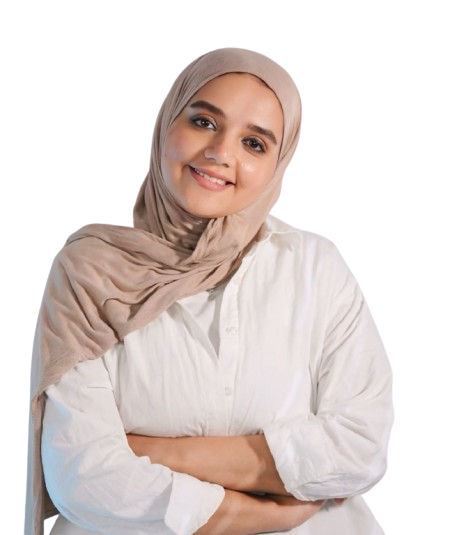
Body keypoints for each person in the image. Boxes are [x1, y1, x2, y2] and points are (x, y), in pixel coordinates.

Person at [24, 46, 394, 535]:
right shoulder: (90, 272)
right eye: (203, 122)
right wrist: (259, 512)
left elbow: (359, 449)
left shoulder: (313, 266)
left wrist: (153, 453)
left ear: (278, 163)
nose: (221, 153)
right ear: (166, 124)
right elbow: (82, 477)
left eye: (254, 143)